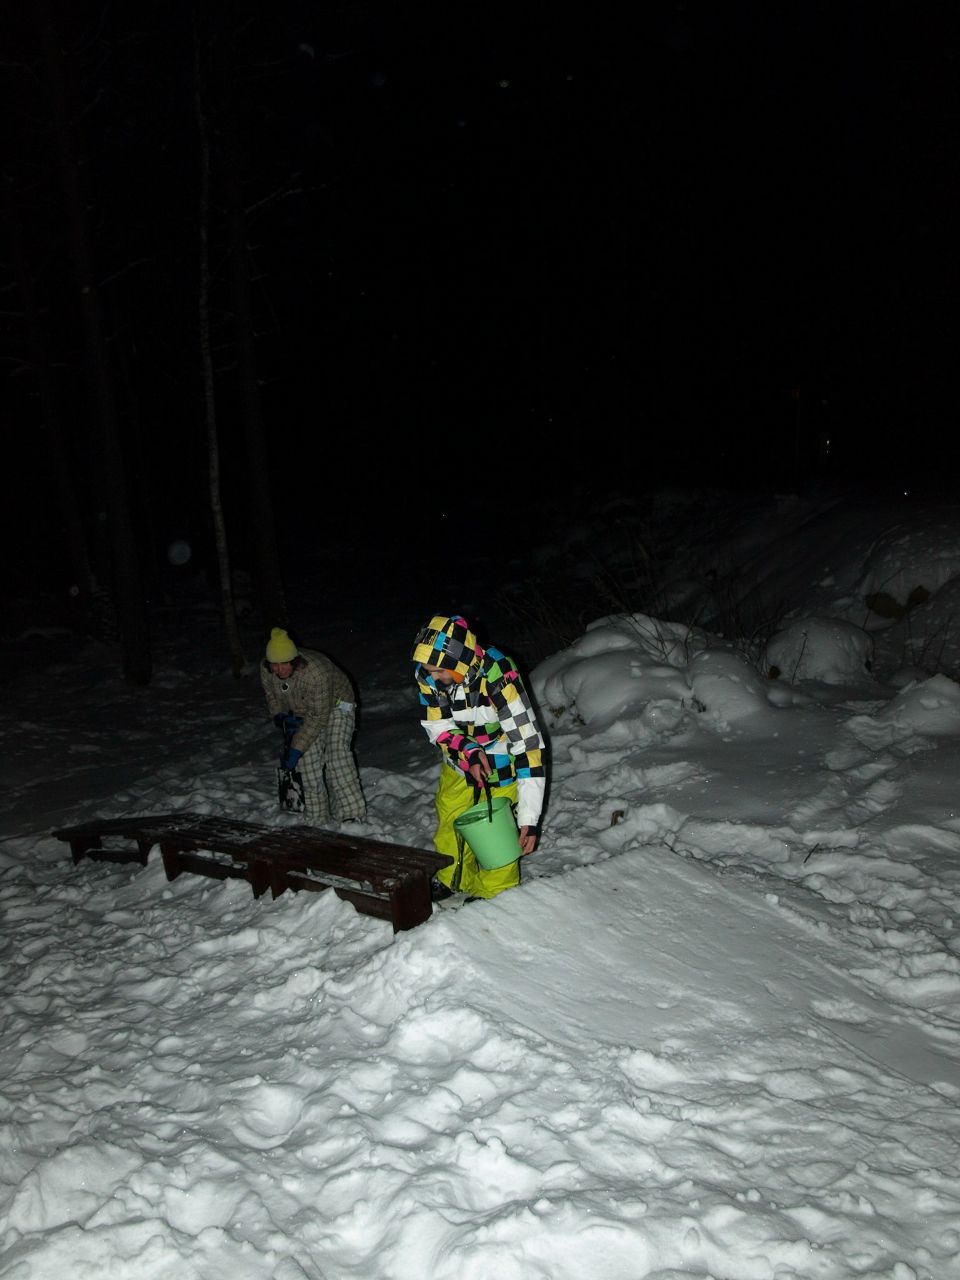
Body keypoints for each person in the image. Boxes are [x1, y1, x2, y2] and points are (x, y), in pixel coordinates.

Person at [411, 614, 546, 900]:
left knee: (497, 829)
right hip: (459, 760)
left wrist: (529, 818)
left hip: (502, 759)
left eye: (438, 671)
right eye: (428, 671)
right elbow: (436, 725)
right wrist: (467, 751)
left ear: (458, 661)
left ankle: (494, 892)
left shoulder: (499, 675)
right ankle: (452, 876)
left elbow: (527, 745)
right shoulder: (428, 674)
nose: (432, 678)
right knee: (451, 818)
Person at [260, 627, 366, 823]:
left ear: (294, 660)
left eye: (284, 664)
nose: (279, 669)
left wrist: (296, 748)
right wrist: (281, 717)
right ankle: (317, 817)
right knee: (307, 764)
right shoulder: (267, 670)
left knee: (337, 755)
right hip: (304, 710)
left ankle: (350, 814)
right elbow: (272, 697)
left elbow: (318, 718)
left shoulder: (316, 672)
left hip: (337, 705)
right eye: (274, 664)